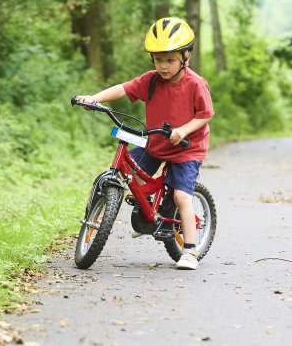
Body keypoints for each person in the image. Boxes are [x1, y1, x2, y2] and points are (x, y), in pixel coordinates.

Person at [76, 17, 214, 270]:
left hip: (186, 149)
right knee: (133, 177)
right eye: (158, 59)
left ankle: (191, 251)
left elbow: (205, 115)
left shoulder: (195, 84)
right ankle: (150, 214)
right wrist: (95, 99)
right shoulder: (151, 81)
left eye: (170, 60)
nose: (163, 66)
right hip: (157, 144)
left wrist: (183, 130)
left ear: (186, 57)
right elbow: (124, 88)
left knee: (183, 196)